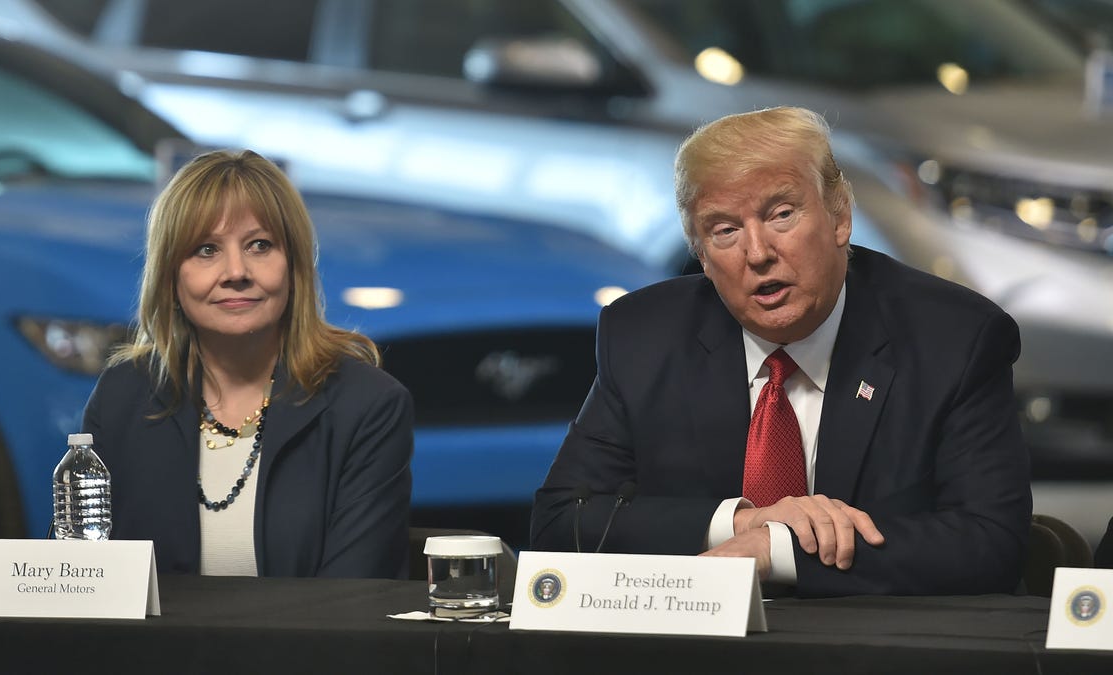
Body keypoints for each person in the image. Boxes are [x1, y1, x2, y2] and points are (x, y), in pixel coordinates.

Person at [530, 107, 1032, 597]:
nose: (758, 252)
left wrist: (778, 549)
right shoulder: (644, 335)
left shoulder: (955, 338)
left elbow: (991, 542)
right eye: (724, 230)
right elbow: (562, 522)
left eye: (781, 214)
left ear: (840, 217)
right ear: (701, 254)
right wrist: (743, 523)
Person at [83, 149, 413, 578]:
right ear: (170, 276)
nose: (236, 271)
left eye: (260, 246)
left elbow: (351, 605)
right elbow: (74, 583)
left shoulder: (368, 406)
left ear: (294, 267)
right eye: (205, 250)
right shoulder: (121, 396)